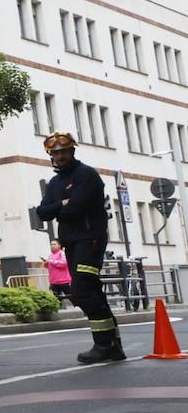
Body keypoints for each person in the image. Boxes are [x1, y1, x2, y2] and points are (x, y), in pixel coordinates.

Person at [34, 132, 124, 363]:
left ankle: (104, 344)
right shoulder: (55, 183)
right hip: (71, 243)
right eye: (55, 153)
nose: (60, 156)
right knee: (90, 290)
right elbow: (42, 212)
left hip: (90, 240)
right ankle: (112, 344)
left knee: (82, 290)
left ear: (72, 151)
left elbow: (74, 210)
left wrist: (61, 207)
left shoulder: (87, 175)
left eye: (63, 152)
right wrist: (63, 203)